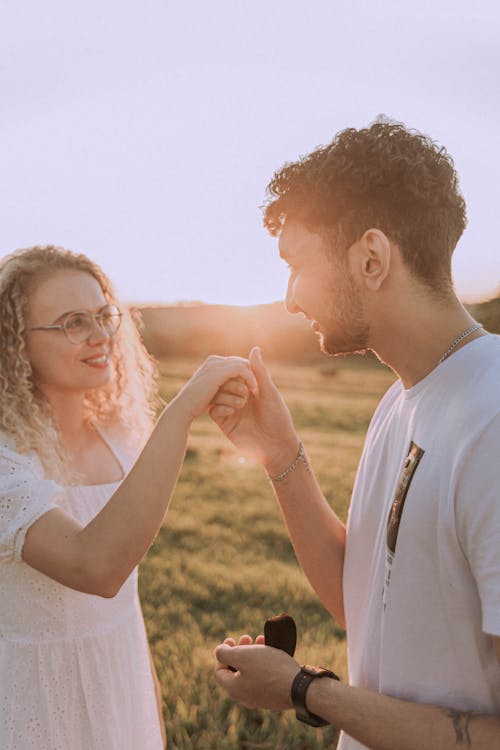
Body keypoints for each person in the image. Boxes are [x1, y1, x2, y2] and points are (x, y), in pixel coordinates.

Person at [210, 121, 500, 749]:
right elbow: (366, 607)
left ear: (371, 258)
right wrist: (280, 453)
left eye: (296, 266)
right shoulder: (400, 399)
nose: (288, 299)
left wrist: (303, 689)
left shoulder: (494, 422)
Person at [0, 245, 257, 750]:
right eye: (73, 322)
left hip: (117, 683)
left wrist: (146, 716)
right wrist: (181, 412)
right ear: (14, 344)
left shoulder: (119, 439)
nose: (100, 337)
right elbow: (96, 566)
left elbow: (125, 612)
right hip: (28, 699)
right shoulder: (6, 461)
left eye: (103, 315)